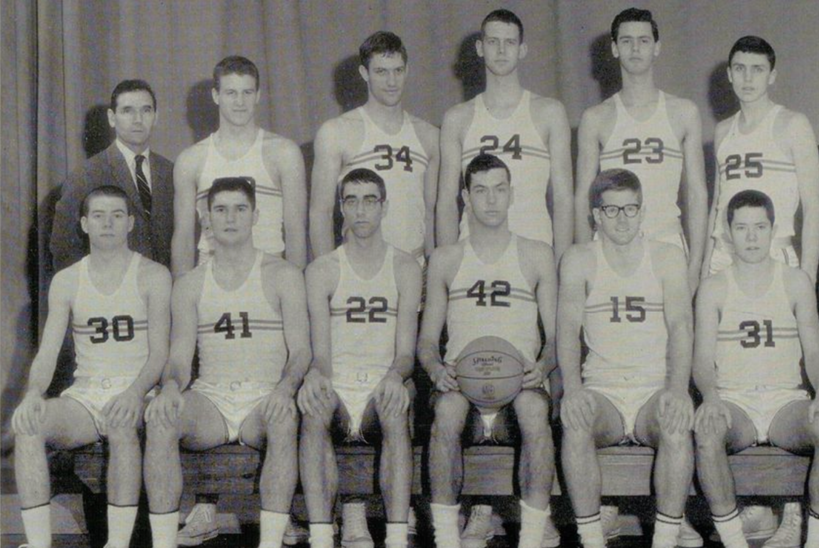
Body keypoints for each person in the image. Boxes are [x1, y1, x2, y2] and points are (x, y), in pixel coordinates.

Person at [144, 178, 311, 548]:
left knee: (284, 418)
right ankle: (161, 543)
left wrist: (285, 389)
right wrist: (170, 386)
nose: (230, 218)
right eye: (221, 209)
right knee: (160, 416)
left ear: (255, 215)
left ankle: (269, 541)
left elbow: (301, 351)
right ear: (207, 218)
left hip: (264, 399)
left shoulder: (283, 275)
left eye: (240, 208)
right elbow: (179, 357)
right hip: (213, 401)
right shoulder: (189, 284)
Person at [14, 186, 171, 548]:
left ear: (130, 223)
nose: (108, 224)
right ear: (84, 224)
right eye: (98, 216)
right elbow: (48, 353)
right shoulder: (67, 280)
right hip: (86, 395)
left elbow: (159, 353)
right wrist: (33, 394)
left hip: (138, 392)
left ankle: (116, 544)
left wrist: (135, 392)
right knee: (29, 425)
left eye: (117, 215)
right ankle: (38, 543)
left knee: (120, 425)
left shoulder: (153, 275)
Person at [693, 190, 819, 548]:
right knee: (707, 431)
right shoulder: (714, 287)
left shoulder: (795, 281)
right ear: (728, 232)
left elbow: (815, 352)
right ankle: (734, 542)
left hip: (784, 403)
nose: (751, 237)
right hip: (736, 402)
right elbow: (701, 359)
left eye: (760, 227)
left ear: (773, 229)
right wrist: (711, 397)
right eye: (742, 228)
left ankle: (818, 543)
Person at [420, 154, 557, 548]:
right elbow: (427, 340)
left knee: (534, 409)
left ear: (512, 194)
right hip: (462, 383)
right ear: (466, 197)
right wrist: (434, 369)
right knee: (446, 410)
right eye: (480, 190)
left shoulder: (536, 254)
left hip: (520, 384)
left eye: (499, 189)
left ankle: (531, 537)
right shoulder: (447, 258)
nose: (491, 200)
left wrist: (545, 364)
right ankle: (447, 538)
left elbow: (557, 335)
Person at [558, 169, 695, 548]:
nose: (622, 219)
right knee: (576, 423)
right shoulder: (579, 259)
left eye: (630, 209)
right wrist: (572, 390)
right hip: (604, 389)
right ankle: (591, 540)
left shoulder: (667, 257)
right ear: (596, 215)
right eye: (612, 210)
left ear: (643, 211)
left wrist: (678, 390)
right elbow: (567, 331)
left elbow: (682, 327)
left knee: (676, 424)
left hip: (653, 387)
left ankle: (665, 540)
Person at [298, 168, 423, 548]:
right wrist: (315, 376)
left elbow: (405, 353)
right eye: (351, 201)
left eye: (370, 200)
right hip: (339, 385)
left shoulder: (404, 267)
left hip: (381, 383)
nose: (361, 210)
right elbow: (320, 354)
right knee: (313, 406)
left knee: (394, 405)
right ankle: (322, 534)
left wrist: (394, 377)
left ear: (384, 207)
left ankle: (397, 535)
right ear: (341, 209)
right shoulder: (322, 270)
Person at [575, 8, 708, 292]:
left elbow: (696, 194)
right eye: (626, 41)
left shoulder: (683, 113)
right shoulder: (596, 118)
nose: (635, 48)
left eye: (644, 40)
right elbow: (582, 197)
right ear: (614, 48)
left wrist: (696, 264)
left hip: (667, 244)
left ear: (657, 47)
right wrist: (585, 257)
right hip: (611, 247)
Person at [436, 9, 573, 259]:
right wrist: (448, 267)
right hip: (473, 258)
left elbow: (563, 199)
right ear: (480, 48)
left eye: (509, 42)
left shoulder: (549, 113)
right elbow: (446, 201)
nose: (501, 51)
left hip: (534, 255)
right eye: (492, 42)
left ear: (522, 50)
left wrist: (561, 268)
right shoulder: (457, 118)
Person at [309, 31, 439, 262]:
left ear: (407, 70)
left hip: (415, 268)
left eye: (398, 71)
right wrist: (327, 277)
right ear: (364, 73)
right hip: (360, 270)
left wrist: (434, 274)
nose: (391, 82)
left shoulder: (429, 136)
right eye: (381, 72)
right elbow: (321, 213)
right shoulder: (336, 132)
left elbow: (430, 214)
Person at [171, 55, 307, 275]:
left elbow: (296, 231)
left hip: (269, 273)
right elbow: (183, 238)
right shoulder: (191, 159)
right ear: (216, 96)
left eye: (247, 92)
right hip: (211, 275)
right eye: (231, 93)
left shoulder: (284, 153)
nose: (240, 102)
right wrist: (180, 296)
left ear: (258, 95)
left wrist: (295, 291)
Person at [703, 36, 819, 284]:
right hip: (724, 258)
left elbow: (813, 208)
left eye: (757, 70)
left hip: (774, 255)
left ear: (771, 76)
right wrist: (705, 269)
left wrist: (808, 278)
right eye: (740, 69)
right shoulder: (723, 130)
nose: (747, 79)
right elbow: (717, 205)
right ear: (729, 74)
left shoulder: (793, 124)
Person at [51, 80, 174, 271]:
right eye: (127, 111)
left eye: (146, 110)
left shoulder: (171, 172)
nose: (138, 119)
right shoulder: (86, 175)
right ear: (112, 117)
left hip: (164, 293)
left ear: (156, 117)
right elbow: (64, 249)